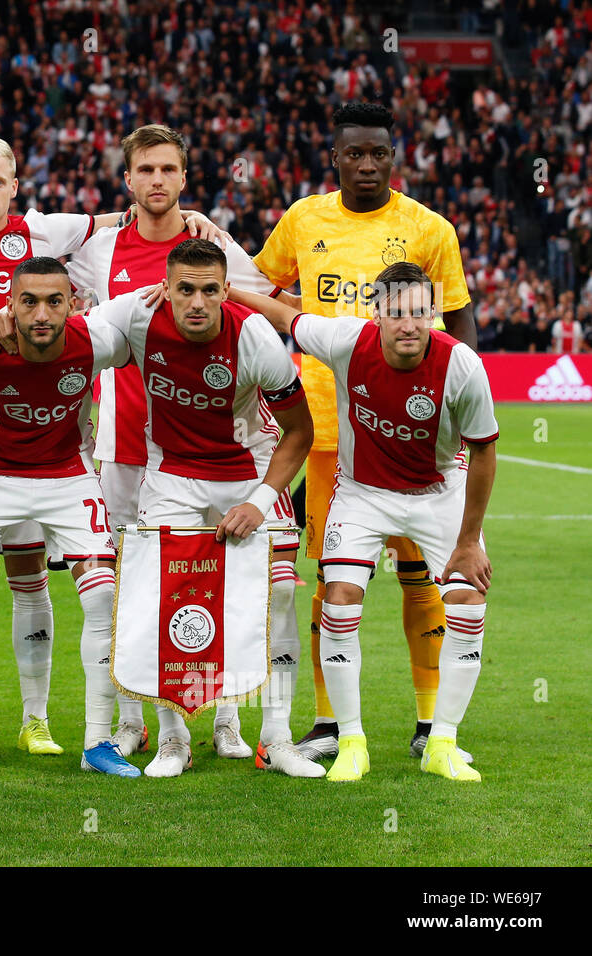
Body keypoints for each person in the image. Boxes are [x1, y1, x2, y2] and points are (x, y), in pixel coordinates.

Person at [0, 133, 213, 755]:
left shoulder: (47, 232)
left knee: (31, 576)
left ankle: (37, 720)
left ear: (15, 185)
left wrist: (181, 217)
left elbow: (118, 218)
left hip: (50, 432)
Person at [251, 101, 479, 763]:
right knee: (333, 583)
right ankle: (328, 724)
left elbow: (460, 323)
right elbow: (262, 295)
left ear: (393, 157)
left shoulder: (428, 229)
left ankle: (430, 723)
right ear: (336, 158)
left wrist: (459, 415)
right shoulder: (303, 219)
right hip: (329, 435)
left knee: (424, 580)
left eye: (380, 152)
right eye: (356, 153)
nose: (369, 164)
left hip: (415, 438)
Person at [66, 123, 288, 760]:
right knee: (131, 586)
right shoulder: (98, 249)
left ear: (184, 179)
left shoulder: (213, 243)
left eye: (169, 170)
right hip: (125, 440)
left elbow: (259, 306)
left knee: (224, 580)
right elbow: (30, 251)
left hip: (209, 443)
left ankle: (225, 717)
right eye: (146, 171)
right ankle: (134, 719)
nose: (158, 181)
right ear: (128, 180)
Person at [228, 263, 498, 782]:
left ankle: (442, 742)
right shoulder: (347, 340)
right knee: (339, 599)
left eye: (420, 311)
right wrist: (230, 291)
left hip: (439, 492)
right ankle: (352, 741)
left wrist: (468, 542)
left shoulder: (462, 366)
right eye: (396, 313)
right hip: (362, 493)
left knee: (467, 601)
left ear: (434, 314)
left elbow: (484, 453)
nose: (409, 324)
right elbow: (286, 315)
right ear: (377, 315)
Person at [80, 239, 320, 778]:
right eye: (184, 289)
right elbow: (69, 339)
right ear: (164, 288)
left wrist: (260, 503)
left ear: (225, 291)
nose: (196, 302)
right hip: (173, 476)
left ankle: (274, 738)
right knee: (169, 595)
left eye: (209, 290)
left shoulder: (254, 336)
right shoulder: (137, 319)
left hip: (248, 470)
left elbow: (301, 431)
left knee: (278, 592)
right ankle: (174, 738)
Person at [0, 257, 137, 781]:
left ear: (74, 305)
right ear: (9, 305)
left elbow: (153, 310)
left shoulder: (99, 341)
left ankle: (97, 742)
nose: (41, 313)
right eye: (28, 301)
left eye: (54, 301)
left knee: (104, 598)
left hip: (68, 477)